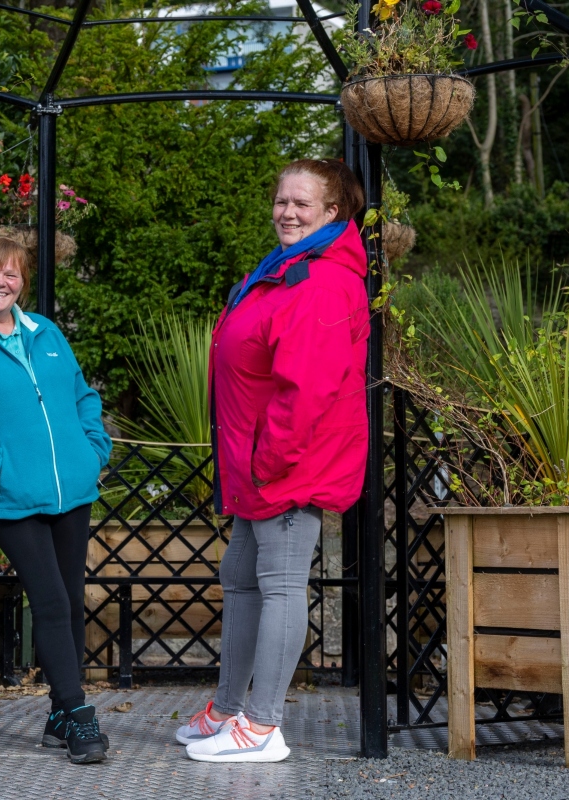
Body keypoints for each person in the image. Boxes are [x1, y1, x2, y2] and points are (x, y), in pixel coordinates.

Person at [176, 158, 370, 763]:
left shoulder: (323, 281)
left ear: (333, 212)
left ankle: (262, 727)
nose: (287, 213)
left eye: (302, 204)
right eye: (281, 201)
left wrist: (269, 460)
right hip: (257, 461)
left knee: (281, 586)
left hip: (287, 465)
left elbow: (307, 386)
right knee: (240, 579)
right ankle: (231, 709)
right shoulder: (286, 270)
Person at [0, 234, 113, 765]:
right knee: (52, 600)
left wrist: (93, 449)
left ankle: (60, 715)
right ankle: (80, 716)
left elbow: (83, 395)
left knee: (70, 600)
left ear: (22, 283)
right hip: (12, 496)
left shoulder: (47, 332)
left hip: (72, 491)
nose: (0, 282)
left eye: (11, 274)